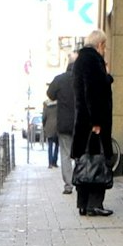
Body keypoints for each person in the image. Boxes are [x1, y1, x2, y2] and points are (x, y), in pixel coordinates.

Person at [70, 30, 114, 217]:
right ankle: (95, 204)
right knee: (97, 161)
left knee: (84, 161)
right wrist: (96, 121)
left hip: (82, 121)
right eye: (104, 46)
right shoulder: (93, 60)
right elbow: (93, 92)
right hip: (94, 122)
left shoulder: (80, 60)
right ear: (100, 45)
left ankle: (83, 203)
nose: (105, 50)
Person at [48, 62, 76, 191]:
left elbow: (50, 94)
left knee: (65, 154)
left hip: (64, 123)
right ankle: (80, 181)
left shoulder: (59, 79)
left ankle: (68, 185)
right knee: (80, 154)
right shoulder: (81, 79)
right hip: (80, 122)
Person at [41, 84, 60, 166]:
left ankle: (50, 163)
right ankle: (55, 162)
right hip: (57, 127)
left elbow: (44, 117)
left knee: (50, 146)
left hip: (49, 127)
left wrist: (44, 125)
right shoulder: (59, 103)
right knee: (57, 145)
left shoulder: (46, 104)